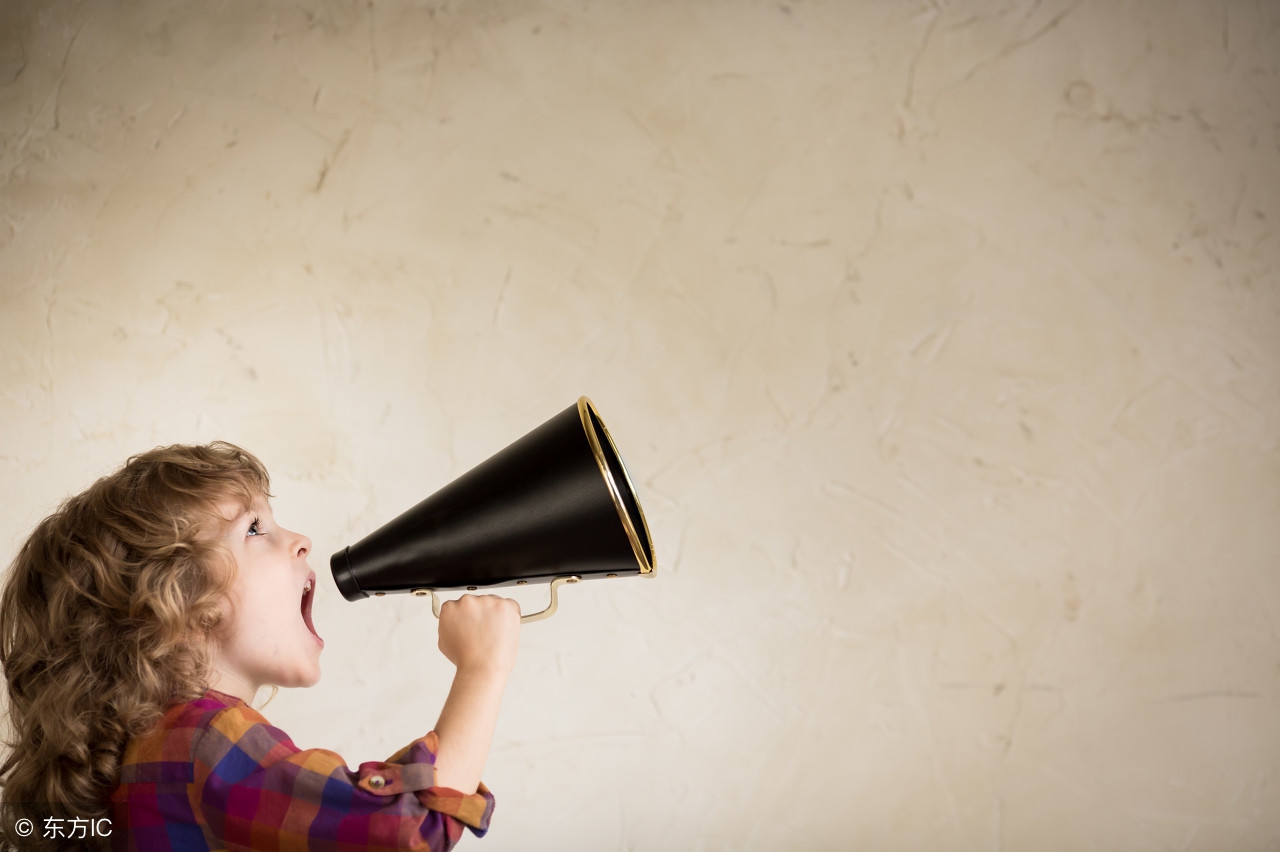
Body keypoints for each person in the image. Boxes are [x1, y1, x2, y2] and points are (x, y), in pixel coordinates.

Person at [0, 442, 520, 851]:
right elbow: (404, 830)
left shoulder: (143, 759)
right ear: (171, 604)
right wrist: (482, 666)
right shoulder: (207, 741)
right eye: (253, 528)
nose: (301, 540)